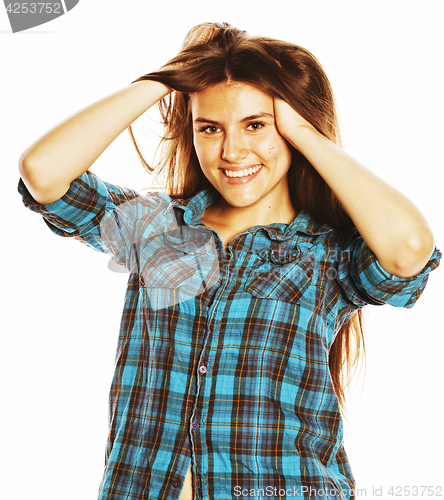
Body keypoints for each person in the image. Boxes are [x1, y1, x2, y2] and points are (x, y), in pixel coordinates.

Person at [18, 22, 441, 500]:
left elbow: (410, 248)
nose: (233, 150)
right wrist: (167, 80)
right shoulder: (155, 229)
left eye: (256, 125)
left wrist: (303, 129)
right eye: (210, 128)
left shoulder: (327, 252)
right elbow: (43, 173)